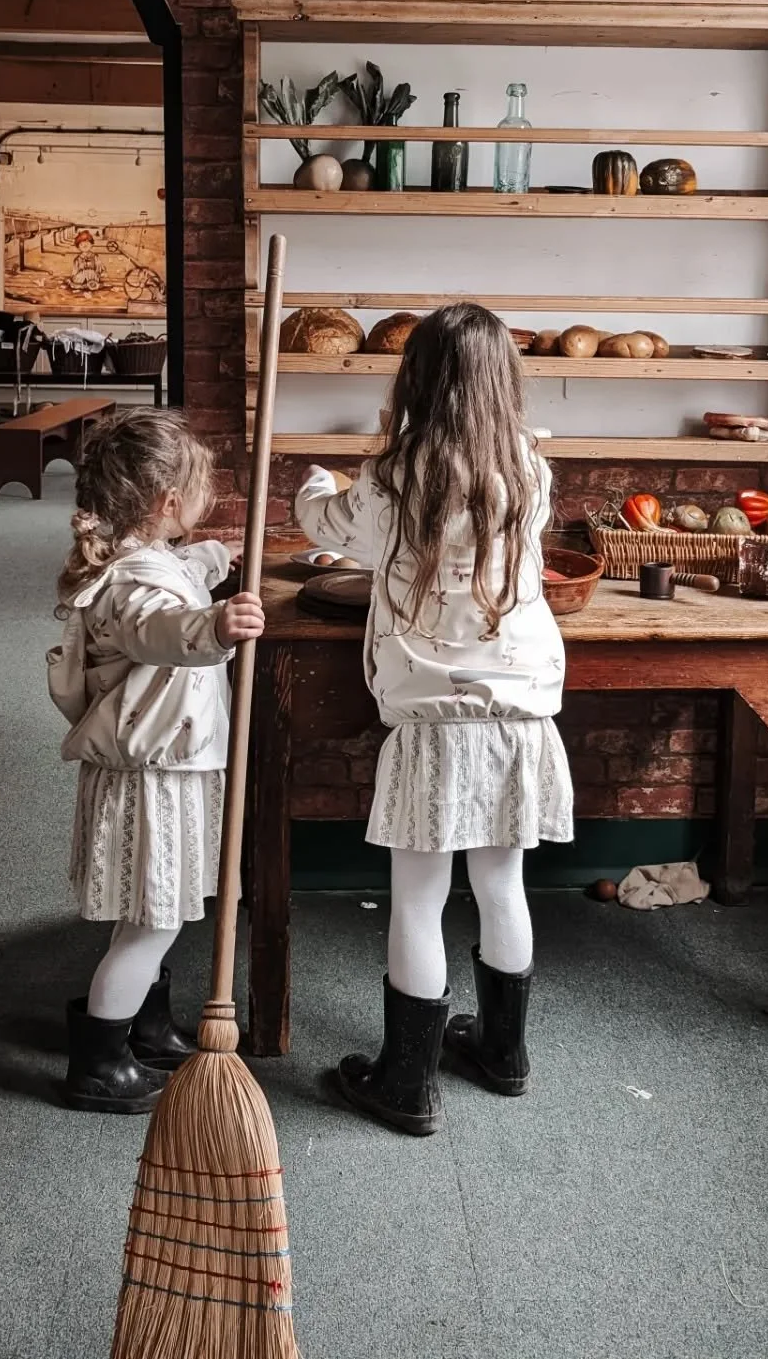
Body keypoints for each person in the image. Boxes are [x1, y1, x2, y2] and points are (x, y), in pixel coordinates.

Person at [295, 303, 570, 1137]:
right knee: (501, 884)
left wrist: (314, 480)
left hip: (436, 724)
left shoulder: (394, 478)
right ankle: (502, 1051)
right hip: (521, 711)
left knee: (418, 898)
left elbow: (328, 529)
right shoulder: (530, 471)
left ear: (415, 380)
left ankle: (407, 1083)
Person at [47, 410, 264, 1113]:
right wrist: (214, 625)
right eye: (198, 488)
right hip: (152, 778)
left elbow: (175, 571)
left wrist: (211, 559)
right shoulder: (136, 586)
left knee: (152, 909)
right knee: (153, 922)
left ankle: (142, 1024)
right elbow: (156, 628)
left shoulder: (144, 559)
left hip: (165, 769)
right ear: (168, 501)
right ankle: (99, 1063)